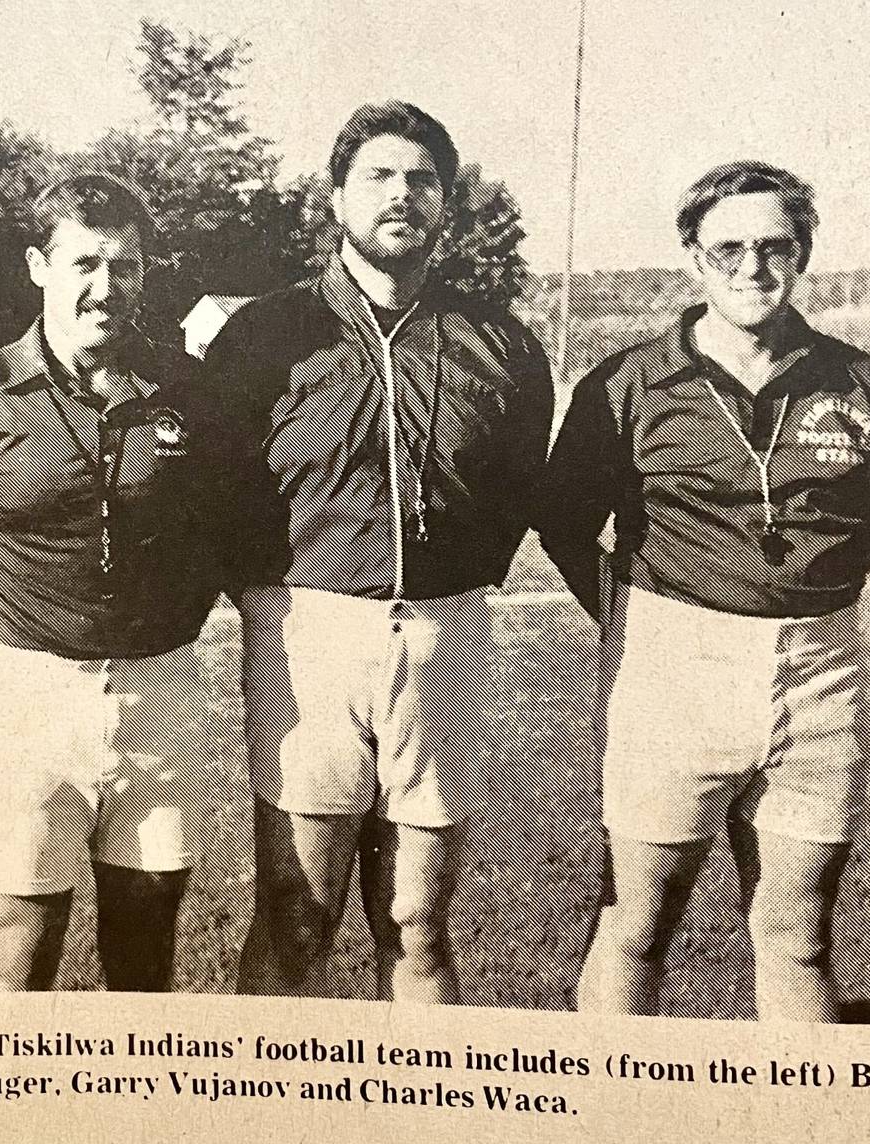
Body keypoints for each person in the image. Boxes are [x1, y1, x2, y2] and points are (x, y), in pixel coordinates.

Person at [536, 161, 870, 1021]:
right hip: (672, 673)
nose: (753, 268)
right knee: (637, 923)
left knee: (801, 933)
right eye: (729, 248)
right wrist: (632, 618)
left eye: (775, 247)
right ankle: (608, 1114)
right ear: (693, 259)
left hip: (821, 676)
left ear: (802, 254)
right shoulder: (628, 383)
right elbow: (563, 522)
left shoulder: (855, 379)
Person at [203, 103, 554, 1001]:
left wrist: (449, 591)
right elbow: (216, 487)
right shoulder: (268, 333)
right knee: (296, 910)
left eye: (423, 179)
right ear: (336, 198)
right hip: (307, 636)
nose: (403, 194)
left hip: (445, 636)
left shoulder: (502, 340)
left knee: (419, 922)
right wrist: (268, 601)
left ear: (446, 202)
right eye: (380, 176)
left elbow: (517, 490)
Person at [0, 175, 221, 992]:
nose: (107, 288)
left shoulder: (188, 391)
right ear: (39, 264)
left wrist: (167, 625)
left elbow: (228, 536)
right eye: (85, 263)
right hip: (26, 696)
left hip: (161, 694)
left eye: (127, 267)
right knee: (19, 957)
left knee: (144, 961)